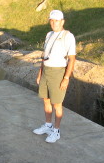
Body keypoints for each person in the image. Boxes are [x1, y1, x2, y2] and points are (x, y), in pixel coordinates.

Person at [33, 10, 76, 143]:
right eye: (51, 20)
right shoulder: (49, 34)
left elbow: (72, 59)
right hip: (46, 71)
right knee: (46, 100)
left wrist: (66, 78)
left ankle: (56, 131)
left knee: (57, 103)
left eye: (56, 20)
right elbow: (44, 56)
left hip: (58, 72)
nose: (54, 23)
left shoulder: (68, 36)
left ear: (62, 21)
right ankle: (47, 125)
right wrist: (40, 73)